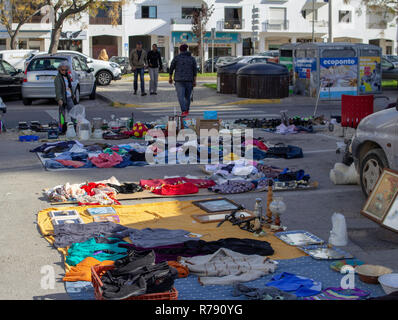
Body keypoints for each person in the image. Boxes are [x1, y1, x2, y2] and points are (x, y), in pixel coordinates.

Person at [169, 44, 197, 117]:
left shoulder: (176, 58)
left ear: (180, 50)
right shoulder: (192, 58)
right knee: (187, 97)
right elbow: (195, 70)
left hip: (179, 80)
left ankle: (184, 111)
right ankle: (186, 110)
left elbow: (171, 68)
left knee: (180, 96)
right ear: (187, 50)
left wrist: (170, 77)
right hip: (189, 80)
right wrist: (194, 81)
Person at [54, 61, 76, 133]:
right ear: (59, 69)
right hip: (63, 98)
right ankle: (62, 128)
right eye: (62, 70)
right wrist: (59, 99)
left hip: (69, 97)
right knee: (62, 115)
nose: (64, 71)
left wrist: (73, 94)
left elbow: (70, 86)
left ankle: (75, 126)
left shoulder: (68, 76)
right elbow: (58, 89)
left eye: (65, 70)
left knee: (73, 113)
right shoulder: (58, 78)